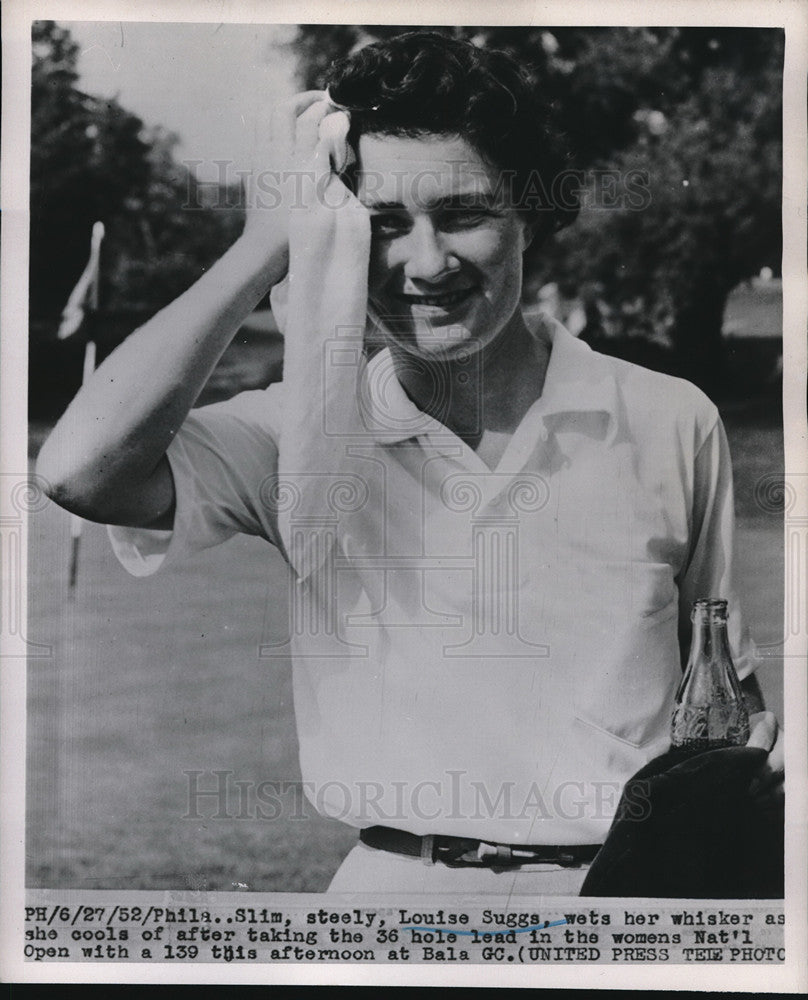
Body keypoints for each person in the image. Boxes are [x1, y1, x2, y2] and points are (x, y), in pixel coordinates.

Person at [37, 31, 783, 895]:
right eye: (382, 225)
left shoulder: (668, 418)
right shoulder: (302, 432)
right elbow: (77, 471)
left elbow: (725, 695)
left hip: (625, 900)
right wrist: (260, 246)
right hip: (393, 901)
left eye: (464, 213)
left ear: (529, 213)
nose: (426, 264)